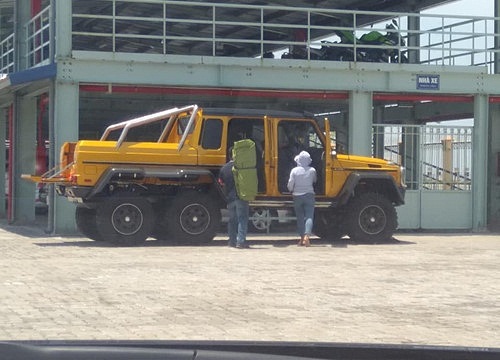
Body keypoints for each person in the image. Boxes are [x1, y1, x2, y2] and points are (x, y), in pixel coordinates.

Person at [218, 147, 250, 249]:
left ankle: (231, 241)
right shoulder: (242, 167)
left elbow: (221, 183)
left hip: (230, 198)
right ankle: (240, 241)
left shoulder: (224, 168)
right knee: (242, 219)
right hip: (241, 197)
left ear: (229, 155)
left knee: (232, 220)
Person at [287, 150, 317, 247]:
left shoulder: (294, 171)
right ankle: (307, 237)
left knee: (300, 217)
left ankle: (301, 238)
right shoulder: (312, 170)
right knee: (309, 216)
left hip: (297, 196)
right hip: (309, 195)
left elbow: (290, 184)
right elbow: (315, 180)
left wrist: (290, 190)